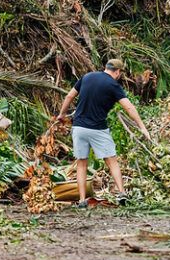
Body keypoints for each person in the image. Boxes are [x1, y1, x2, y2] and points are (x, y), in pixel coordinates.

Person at [56, 59, 152, 208]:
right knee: (112, 161)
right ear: (118, 72)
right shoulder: (113, 86)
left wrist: (61, 114)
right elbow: (129, 108)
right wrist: (142, 127)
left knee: (81, 164)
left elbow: (69, 96)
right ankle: (122, 194)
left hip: (79, 128)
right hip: (98, 130)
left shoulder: (87, 77)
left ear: (106, 68)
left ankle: (82, 201)